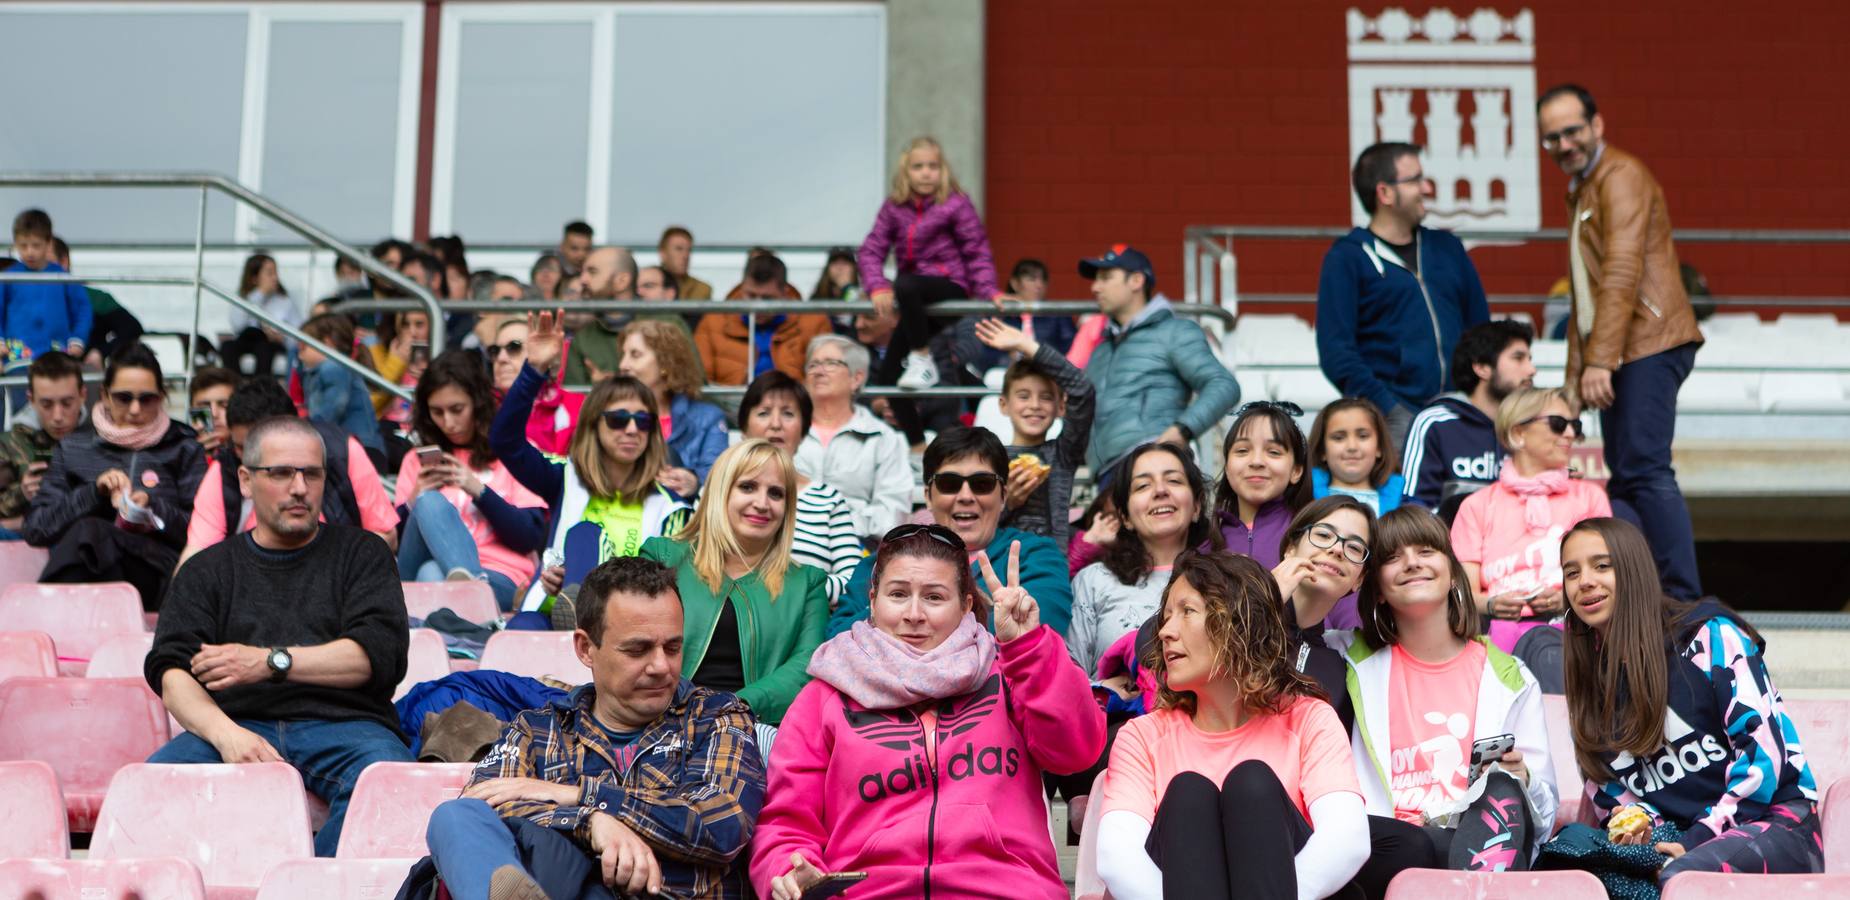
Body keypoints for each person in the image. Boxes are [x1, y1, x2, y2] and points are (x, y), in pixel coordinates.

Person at [752, 524, 1104, 900]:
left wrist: (1030, 647)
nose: (914, 614)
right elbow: (786, 823)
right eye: (898, 594)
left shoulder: (1011, 674)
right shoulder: (823, 697)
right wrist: (789, 870)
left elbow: (1075, 751)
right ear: (872, 601)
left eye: (934, 597)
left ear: (967, 605)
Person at [144, 416, 412, 857]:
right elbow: (171, 672)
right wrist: (227, 736)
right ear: (246, 481)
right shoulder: (207, 570)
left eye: (312, 473)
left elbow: (376, 655)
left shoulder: (363, 554)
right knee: (152, 788)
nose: (300, 488)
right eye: (282, 473)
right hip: (234, 725)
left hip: (348, 728)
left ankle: (307, 887)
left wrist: (268, 662)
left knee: (392, 783)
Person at [1556, 517, 1821, 885]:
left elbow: (1763, 759)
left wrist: (1697, 839)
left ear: (1634, 571)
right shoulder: (1589, 683)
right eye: (1572, 572)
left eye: (1602, 566)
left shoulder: (1708, 637)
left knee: (1681, 877)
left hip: (1775, 823)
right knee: (1578, 871)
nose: (1584, 581)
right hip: (1679, 844)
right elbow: (1614, 795)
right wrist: (1647, 832)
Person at [1096, 551, 1370, 900]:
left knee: (1251, 783)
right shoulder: (1142, 736)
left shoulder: (1309, 717)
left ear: (1240, 625)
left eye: (1187, 612)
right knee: (1188, 793)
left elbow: (1347, 842)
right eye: (1166, 618)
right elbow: (1117, 859)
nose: (1164, 632)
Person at [1539, 83, 1705, 602]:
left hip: (1649, 342)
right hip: (1625, 349)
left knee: (1645, 470)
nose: (1565, 144)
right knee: (1627, 475)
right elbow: (1583, 296)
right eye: (1552, 139)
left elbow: (1621, 273)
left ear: (1597, 126)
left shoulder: (1621, 176)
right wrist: (1574, 379)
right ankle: (1643, 591)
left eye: (1572, 131)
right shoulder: (1584, 187)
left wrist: (1600, 362)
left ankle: (1683, 598)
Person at [1337, 507, 1557, 895]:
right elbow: (1281, 629)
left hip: (1485, 846)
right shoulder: (1345, 659)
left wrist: (1522, 775)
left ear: (1453, 571)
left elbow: (1545, 811)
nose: (1410, 564)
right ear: (1377, 589)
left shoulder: (1512, 676)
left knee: (1503, 787)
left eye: (1426, 550)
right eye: (1391, 557)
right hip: (1392, 850)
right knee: (1415, 845)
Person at [493, 311, 691, 613]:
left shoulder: (670, 506)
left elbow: (672, 584)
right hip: (549, 612)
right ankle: (572, 607)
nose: (631, 429)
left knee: (588, 534)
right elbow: (505, 441)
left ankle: (580, 606)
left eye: (643, 421)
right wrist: (534, 369)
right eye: (617, 419)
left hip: (624, 623)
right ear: (593, 426)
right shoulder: (564, 478)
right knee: (524, 626)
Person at [637, 439, 828, 725]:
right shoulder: (663, 556)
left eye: (776, 494)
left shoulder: (807, 583)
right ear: (720, 491)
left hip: (753, 727)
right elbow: (637, 641)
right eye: (747, 487)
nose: (762, 503)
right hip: (663, 717)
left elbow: (806, 666)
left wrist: (736, 707)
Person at [1316, 142, 1490, 450]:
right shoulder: (1347, 258)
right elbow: (1336, 351)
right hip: (1392, 419)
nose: (1426, 187)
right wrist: (1387, 408)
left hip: (1459, 412)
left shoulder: (1448, 248)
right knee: (1403, 500)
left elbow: (1481, 331)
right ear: (1384, 193)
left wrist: (1476, 398)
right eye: (1415, 180)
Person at [830, 426, 1073, 638]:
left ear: (1003, 496)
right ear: (927, 496)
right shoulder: (882, 562)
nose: (966, 496)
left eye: (982, 484)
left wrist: (893, 625)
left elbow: (1041, 633)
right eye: (949, 484)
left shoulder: (1037, 556)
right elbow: (837, 637)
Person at [26, 343, 206, 609]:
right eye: (124, 398)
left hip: (156, 572)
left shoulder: (184, 445)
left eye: (147, 399)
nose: (135, 409)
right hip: (90, 572)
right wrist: (93, 493)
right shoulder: (76, 446)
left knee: (92, 532)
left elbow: (205, 531)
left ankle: (42, 616)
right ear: (105, 395)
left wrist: (154, 510)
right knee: (90, 536)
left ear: (162, 396)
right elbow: (37, 529)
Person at [1451, 386, 1612, 653]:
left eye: (1575, 425)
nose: (1570, 434)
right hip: (1495, 637)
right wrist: (1491, 604)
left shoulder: (1590, 497)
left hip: (1578, 634)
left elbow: (1608, 577)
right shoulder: (1476, 505)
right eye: (1558, 424)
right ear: (1518, 433)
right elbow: (1463, 595)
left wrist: (1565, 600)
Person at [179, 375, 398, 569]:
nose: (251, 458)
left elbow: (385, 535)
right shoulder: (225, 469)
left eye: (312, 474)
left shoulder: (341, 451)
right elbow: (196, 555)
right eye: (241, 448)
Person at [396, 352, 549, 613]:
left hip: (500, 577)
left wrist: (478, 490)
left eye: (457, 409)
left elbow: (528, 538)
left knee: (431, 574)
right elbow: (400, 547)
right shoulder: (415, 461)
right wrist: (413, 501)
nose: (448, 423)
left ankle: (467, 591)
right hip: (436, 575)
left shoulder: (514, 454)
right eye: (437, 412)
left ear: (477, 403)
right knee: (428, 503)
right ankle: (470, 596)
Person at [856, 136, 1004, 399]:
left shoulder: (956, 203)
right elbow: (871, 249)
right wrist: (877, 286)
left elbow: (976, 249)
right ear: (906, 171)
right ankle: (915, 441)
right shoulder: (894, 207)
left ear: (942, 170)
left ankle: (922, 358)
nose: (926, 173)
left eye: (932, 166)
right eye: (918, 166)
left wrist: (989, 289)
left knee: (905, 283)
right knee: (890, 377)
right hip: (914, 301)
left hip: (950, 287)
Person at [1080, 244, 1240, 476]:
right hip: (1107, 476)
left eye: (1105, 278)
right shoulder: (1100, 351)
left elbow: (1224, 385)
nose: (1095, 287)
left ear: (1136, 280)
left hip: (1157, 467)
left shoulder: (1175, 331)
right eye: (1095, 280)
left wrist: (1181, 431)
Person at [1068, 442, 1217, 675]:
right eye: (1143, 485)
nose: (1160, 491)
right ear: (1125, 516)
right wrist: (1103, 691)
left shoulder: (1224, 579)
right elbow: (1070, 676)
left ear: (1197, 506)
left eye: (1174, 481)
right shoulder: (1094, 580)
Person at [738, 371, 863, 605]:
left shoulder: (828, 499)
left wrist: (792, 587)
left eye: (788, 414)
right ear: (744, 428)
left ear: (804, 430)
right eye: (764, 413)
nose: (775, 425)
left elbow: (855, 581)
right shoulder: (717, 491)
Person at [978, 317, 1094, 549]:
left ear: (1061, 407)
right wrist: (1008, 502)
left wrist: (1026, 345)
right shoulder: (989, 460)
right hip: (998, 570)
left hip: (1050, 570)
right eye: (1023, 396)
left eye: (1046, 397)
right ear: (1003, 404)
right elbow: (976, 529)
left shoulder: (1062, 454)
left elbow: (1082, 390)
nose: (1034, 405)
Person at [1402, 320, 1536, 514]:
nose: (1532, 370)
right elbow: (1414, 511)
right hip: (1450, 542)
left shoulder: (1535, 427)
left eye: (1530, 359)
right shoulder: (1435, 423)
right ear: (1482, 367)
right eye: (1518, 358)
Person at [1270, 496, 1375, 730]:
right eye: (1324, 535)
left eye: (1355, 548)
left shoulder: (1336, 670)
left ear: (1359, 579)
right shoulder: (1231, 606)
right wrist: (1266, 602)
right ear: (1290, 548)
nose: (1337, 549)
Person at [792, 335, 911, 540]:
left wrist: (835, 523)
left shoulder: (882, 438)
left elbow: (892, 515)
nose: (819, 371)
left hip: (859, 547)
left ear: (857, 378)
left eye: (831, 363)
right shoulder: (785, 431)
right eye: (813, 365)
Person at [695, 253, 831, 387]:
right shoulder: (713, 321)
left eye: (767, 298)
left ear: (785, 293)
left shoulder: (814, 322)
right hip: (729, 407)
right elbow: (702, 383)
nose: (757, 305)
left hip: (796, 405)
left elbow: (825, 381)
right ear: (742, 288)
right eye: (751, 295)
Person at [619, 319, 724, 492]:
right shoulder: (610, 416)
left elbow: (719, 475)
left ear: (665, 364)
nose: (623, 365)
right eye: (623, 355)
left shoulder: (708, 417)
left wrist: (694, 481)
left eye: (635, 355)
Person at [1, 209, 90, 407]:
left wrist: (78, 340)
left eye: (36, 245)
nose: (30, 252)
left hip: (56, 356)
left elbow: (82, 309)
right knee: (23, 409)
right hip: (18, 358)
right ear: (15, 243)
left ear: (49, 243)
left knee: (57, 405)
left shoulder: (61, 276)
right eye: (23, 246)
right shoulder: (8, 277)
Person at [1215, 401, 1314, 568]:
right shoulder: (1206, 539)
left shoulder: (1314, 536)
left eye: (1274, 452)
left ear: (1296, 471)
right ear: (1227, 467)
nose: (1256, 462)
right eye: (1242, 451)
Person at [0, 351, 84, 538]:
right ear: (31, 400)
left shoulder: (100, 438)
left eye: (66, 403)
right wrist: (22, 493)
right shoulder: (10, 443)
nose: (57, 416)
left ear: (83, 395)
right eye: (47, 404)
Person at [950, 258, 1080, 376]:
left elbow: (1072, 352)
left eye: (1043, 280)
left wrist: (1040, 355)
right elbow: (982, 355)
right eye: (1032, 279)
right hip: (1006, 374)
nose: (1039, 285)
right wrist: (1008, 357)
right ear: (1015, 283)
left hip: (1047, 373)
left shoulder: (1057, 314)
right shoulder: (1001, 315)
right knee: (993, 377)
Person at [298, 313, 387, 464]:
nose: (300, 356)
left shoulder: (334, 367)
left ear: (326, 344)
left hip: (361, 449)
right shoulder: (319, 371)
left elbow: (335, 404)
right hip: (353, 447)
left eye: (303, 347)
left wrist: (309, 428)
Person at [1307, 398, 1405, 514]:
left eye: (1363, 436)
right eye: (1339, 438)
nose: (1352, 447)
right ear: (1322, 450)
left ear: (1379, 447)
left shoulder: (1406, 504)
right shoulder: (1301, 501)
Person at [54, 238, 142, 367]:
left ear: (64, 262)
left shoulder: (94, 298)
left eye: (45, 262)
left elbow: (131, 327)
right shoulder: (21, 299)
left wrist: (100, 352)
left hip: (82, 373)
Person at [221, 253, 299, 378]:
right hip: (247, 340)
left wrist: (282, 337)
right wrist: (259, 294)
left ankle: (260, 390)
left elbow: (297, 333)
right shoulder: (243, 299)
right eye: (270, 273)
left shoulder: (285, 302)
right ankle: (235, 387)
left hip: (271, 344)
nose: (275, 278)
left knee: (264, 348)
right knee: (227, 347)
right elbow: (237, 325)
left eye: (275, 273)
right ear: (254, 278)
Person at [187, 366, 239, 456]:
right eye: (204, 406)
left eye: (224, 405)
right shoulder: (178, 457)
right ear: (192, 410)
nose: (214, 414)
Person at [658, 226, 713, 301]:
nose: (686, 255)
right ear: (663, 253)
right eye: (679, 249)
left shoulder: (702, 289)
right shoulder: (645, 283)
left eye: (689, 250)